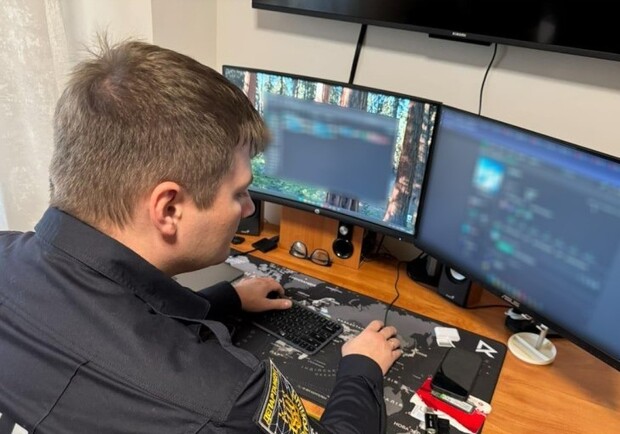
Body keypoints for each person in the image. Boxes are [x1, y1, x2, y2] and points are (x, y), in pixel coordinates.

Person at [0, 38, 402, 434]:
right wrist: (362, 367)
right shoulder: (224, 402)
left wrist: (226, 299)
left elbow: (109, 321)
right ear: (169, 209)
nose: (248, 209)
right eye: (239, 193)